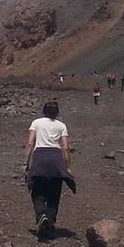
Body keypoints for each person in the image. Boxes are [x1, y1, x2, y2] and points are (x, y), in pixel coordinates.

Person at [24, 101, 75, 238]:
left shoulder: (36, 122)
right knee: (54, 192)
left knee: (37, 190)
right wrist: (67, 167)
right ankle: (50, 223)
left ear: (43, 111)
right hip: (57, 159)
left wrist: (25, 163)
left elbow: (30, 143)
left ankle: (42, 215)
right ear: (57, 112)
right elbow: (65, 147)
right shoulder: (61, 126)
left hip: (40, 157)